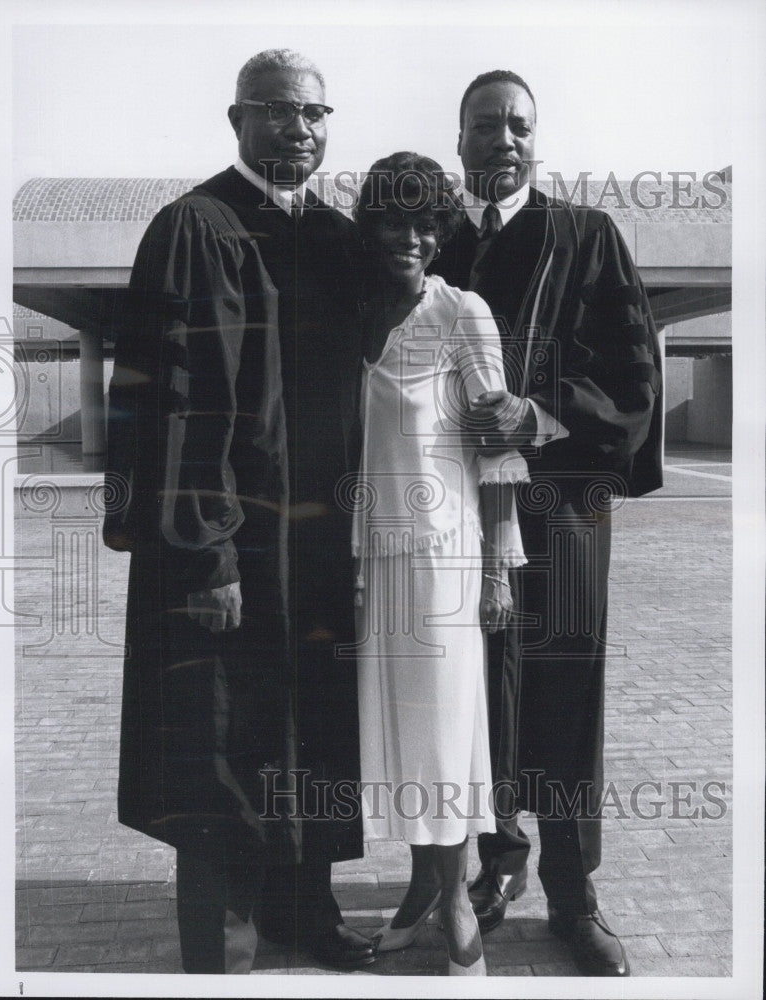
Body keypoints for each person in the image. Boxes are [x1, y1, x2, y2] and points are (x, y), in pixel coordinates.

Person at [103, 49, 375, 973]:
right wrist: (206, 551)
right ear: (237, 119)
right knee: (221, 733)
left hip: (320, 550)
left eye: (313, 114)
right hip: (229, 546)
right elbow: (178, 401)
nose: (297, 129)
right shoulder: (195, 226)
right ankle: (223, 934)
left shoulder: (337, 239)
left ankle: (306, 909)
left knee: (313, 724)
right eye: (277, 112)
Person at [431, 70, 663, 977]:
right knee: (477, 695)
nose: (505, 140)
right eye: (486, 126)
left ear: (537, 138)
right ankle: (496, 866)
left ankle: (573, 892)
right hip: (460, 518)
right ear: (458, 142)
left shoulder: (587, 237)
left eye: (520, 126)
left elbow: (636, 375)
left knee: (563, 694)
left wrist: (541, 413)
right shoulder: (435, 243)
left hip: (561, 510)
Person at [349, 152, 531, 976]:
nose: (413, 237)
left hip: (448, 559)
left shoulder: (465, 313)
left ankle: (456, 895)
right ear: (370, 224)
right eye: (395, 219)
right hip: (366, 561)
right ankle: (419, 889)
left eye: (429, 223)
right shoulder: (345, 312)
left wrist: (497, 564)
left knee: (448, 731)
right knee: (397, 737)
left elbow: (497, 449)